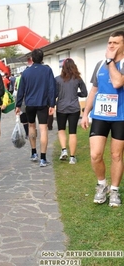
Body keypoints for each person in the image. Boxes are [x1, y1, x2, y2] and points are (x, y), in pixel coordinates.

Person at [81, 30, 124, 207]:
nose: (111, 45)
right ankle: (102, 185)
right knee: (95, 154)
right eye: (109, 43)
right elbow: (94, 90)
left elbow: (117, 82)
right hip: (100, 115)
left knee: (116, 155)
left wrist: (110, 62)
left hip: (121, 116)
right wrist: (85, 113)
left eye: (115, 43)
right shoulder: (99, 65)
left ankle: (114, 190)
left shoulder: (114, 63)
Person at [15, 49, 56, 167]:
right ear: (42, 58)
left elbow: (20, 90)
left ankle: (34, 153)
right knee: (43, 129)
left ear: (31, 59)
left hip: (30, 104)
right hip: (43, 104)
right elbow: (51, 88)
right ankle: (43, 158)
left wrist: (18, 105)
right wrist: (52, 104)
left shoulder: (26, 72)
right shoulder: (47, 70)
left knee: (31, 126)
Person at [55, 58, 88, 164]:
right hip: (74, 108)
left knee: (61, 130)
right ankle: (72, 157)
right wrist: (76, 94)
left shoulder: (57, 79)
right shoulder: (78, 79)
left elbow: (54, 94)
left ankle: (64, 149)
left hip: (61, 108)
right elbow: (85, 93)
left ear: (63, 67)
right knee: (72, 132)